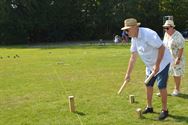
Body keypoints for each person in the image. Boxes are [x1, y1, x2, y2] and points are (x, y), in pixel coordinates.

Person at [121, 18, 172, 120]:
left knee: (161, 86)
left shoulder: (148, 34)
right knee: (148, 84)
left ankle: (164, 110)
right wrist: (128, 74)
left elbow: (161, 48)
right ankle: (149, 107)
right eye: (125, 30)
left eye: (127, 30)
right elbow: (133, 57)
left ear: (135, 27)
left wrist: (157, 65)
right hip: (150, 65)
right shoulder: (134, 38)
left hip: (162, 62)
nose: (126, 32)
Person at [163, 20, 185, 96]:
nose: (165, 29)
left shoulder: (178, 36)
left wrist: (178, 59)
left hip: (176, 58)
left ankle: (177, 89)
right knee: (165, 74)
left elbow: (181, 48)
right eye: (164, 28)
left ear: (172, 27)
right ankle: (163, 89)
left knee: (176, 74)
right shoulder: (166, 34)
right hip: (167, 58)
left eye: (167, 28)